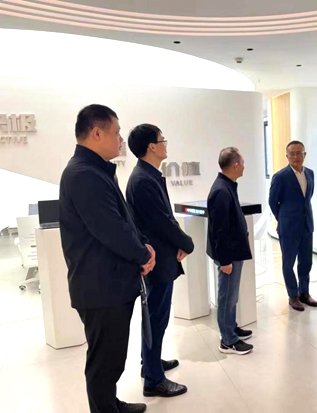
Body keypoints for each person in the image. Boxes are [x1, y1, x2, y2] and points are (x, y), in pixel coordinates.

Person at [59, 104, 155, 413]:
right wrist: (143, 254)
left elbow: (121, 219)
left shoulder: (96, 170)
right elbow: (110, 229)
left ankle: (111, 404)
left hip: (109, 284)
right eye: (116, 133)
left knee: (111, 359)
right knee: (104, 363)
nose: (120, 139)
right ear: (97, 133)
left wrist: (142, 244)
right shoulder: (84, 174)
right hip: (101, 288)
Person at [126, 124, 195, 398]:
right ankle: (154, 380)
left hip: (161, 257)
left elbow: (163, 219)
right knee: (156, 319)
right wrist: (186, 242)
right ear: (151, 147)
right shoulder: (143, 180)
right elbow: (162, 222)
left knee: (156, 317)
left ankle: (150, 363)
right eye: (162, 140)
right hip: (157, 261)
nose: (166, 144)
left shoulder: (148, 175)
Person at [207, 147, 254, 355]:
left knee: (232, 295)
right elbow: (219, 230)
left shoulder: (227, 186)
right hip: (229, 255)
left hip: (234, 252)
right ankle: (228, 340)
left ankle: (231, 327)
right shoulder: (221, 191)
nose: (244, 166)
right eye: (242, 163)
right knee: (227, 296)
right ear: (235, 165)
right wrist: (225, 260)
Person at [269, 140, 317, 312]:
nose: (296, 156)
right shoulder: (280, 177)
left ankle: (304, 293)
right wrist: (282, 219)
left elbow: (308, 197)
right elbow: (273, 202)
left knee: (306, 262)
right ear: (287, 156)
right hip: (288, 227)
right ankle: (293, 295)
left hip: (306, 225)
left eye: (299, 153)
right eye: (292, 154)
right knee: (288, 263)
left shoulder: (310, 173)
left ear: (305, 155)